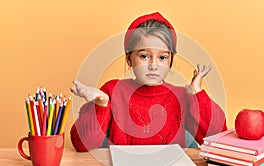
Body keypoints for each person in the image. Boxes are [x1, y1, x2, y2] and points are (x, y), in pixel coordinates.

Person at [70, 12, 227, 152]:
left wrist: (196, 93)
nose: (153, 65)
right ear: (129, 59)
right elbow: (81, 144)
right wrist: (101, 103)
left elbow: (217, 141)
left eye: (162, 57)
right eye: (144, 56)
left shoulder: (181, 96)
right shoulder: (112, 91)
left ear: (171, 60)